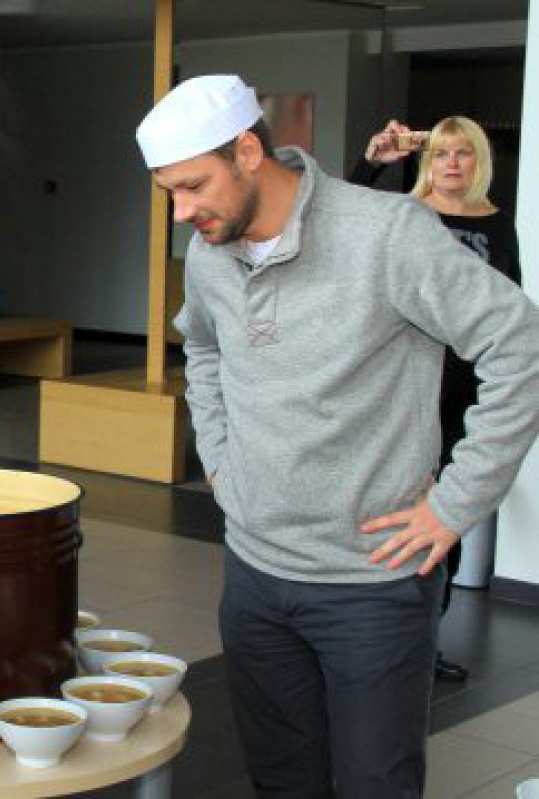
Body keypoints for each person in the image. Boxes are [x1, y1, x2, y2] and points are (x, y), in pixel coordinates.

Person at [134, 75, 539, 796]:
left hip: (372, 586)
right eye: (169, 192)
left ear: (248, 152)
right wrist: (221, 463)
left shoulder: (387, 233)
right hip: (255, 575)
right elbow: (201, 346)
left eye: (193, 186)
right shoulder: (208, 252)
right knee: (282, 782)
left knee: (373, 786)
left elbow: (521, 345)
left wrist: (456, 503)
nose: (182, 211)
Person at [352, 115, 523, 682]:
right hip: (402, 387)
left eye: (464, 153)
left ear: (479, 161)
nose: (452, 163)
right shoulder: (407, 213)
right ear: (428, 160)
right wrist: (373, 163)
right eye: (442, 152)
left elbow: (510, 309)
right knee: (385, 507)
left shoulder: (498, 225)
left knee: (443, 518)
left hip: (463, 395)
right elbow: (343, 221)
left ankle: (425, 644)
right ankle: (370, 636)